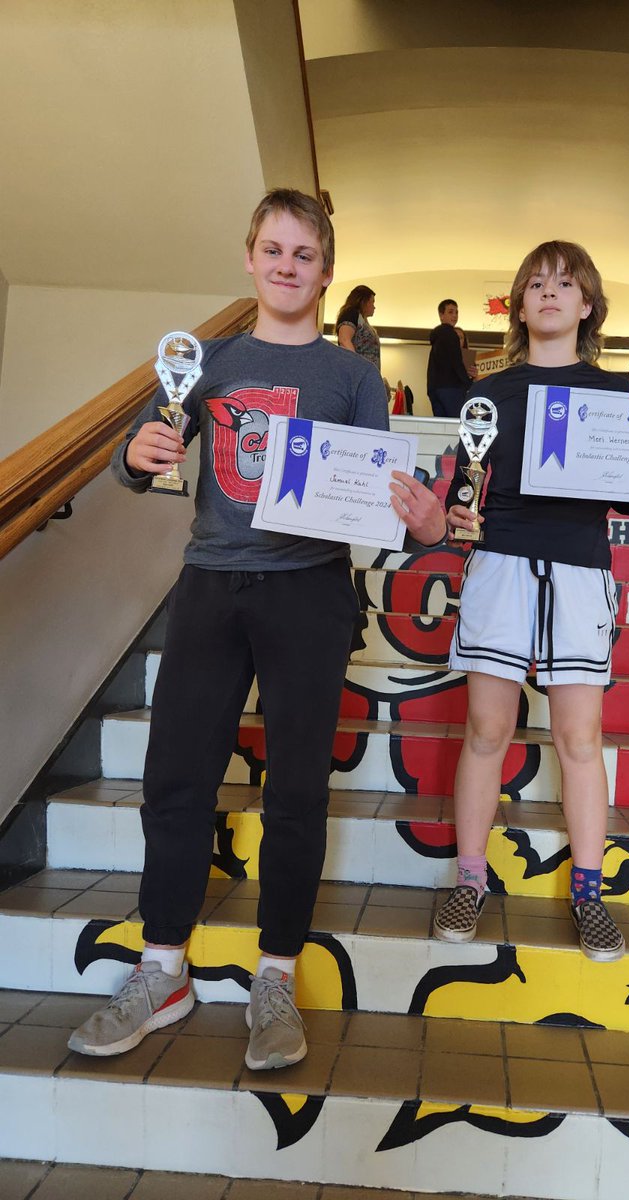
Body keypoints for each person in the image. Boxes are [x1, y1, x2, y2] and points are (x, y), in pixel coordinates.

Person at [68, 189, 445, 1069]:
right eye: (272, 250)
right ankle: (161, 968)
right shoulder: (209, 360)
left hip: (309, 592)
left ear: (325, 271)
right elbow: (141, 457)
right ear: (249, 258)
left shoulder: (351, 375)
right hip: (208, 585)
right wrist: (134, 457)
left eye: (303, 254)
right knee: (174, 779)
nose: (285, 265)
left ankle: (276, 974)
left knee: (297, 794)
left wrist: (415, 511)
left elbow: (375, 489)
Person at [433, 241, 629, 961]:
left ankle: (588, 891)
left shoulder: (619, 396)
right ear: (519, 303)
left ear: (587, 305)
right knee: (487, 731)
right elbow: (465, 491)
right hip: (501, 565)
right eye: (536, 282)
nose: (549, 292)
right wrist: (459, 518)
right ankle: (470, 879)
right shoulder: (490, 394)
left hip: (579, 570)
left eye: (565, 283)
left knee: (581, 739)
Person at [427, 298, 477, 418]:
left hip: (435, 388)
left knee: (442, 426)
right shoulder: (450, 334)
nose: (454, 315)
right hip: (452, 389)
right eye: (450, 312)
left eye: (456, 312)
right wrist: (468, 383)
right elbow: (456, 363)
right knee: (456, 425)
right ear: (441, 315)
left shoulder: (437, 338)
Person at [336, 284, 381, 370]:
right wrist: (358, 365)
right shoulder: (351, 313)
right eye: (372, 302)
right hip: (357, 374)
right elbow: (344, 340)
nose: (374, 307)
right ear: (363, 301)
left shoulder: (362, 321)